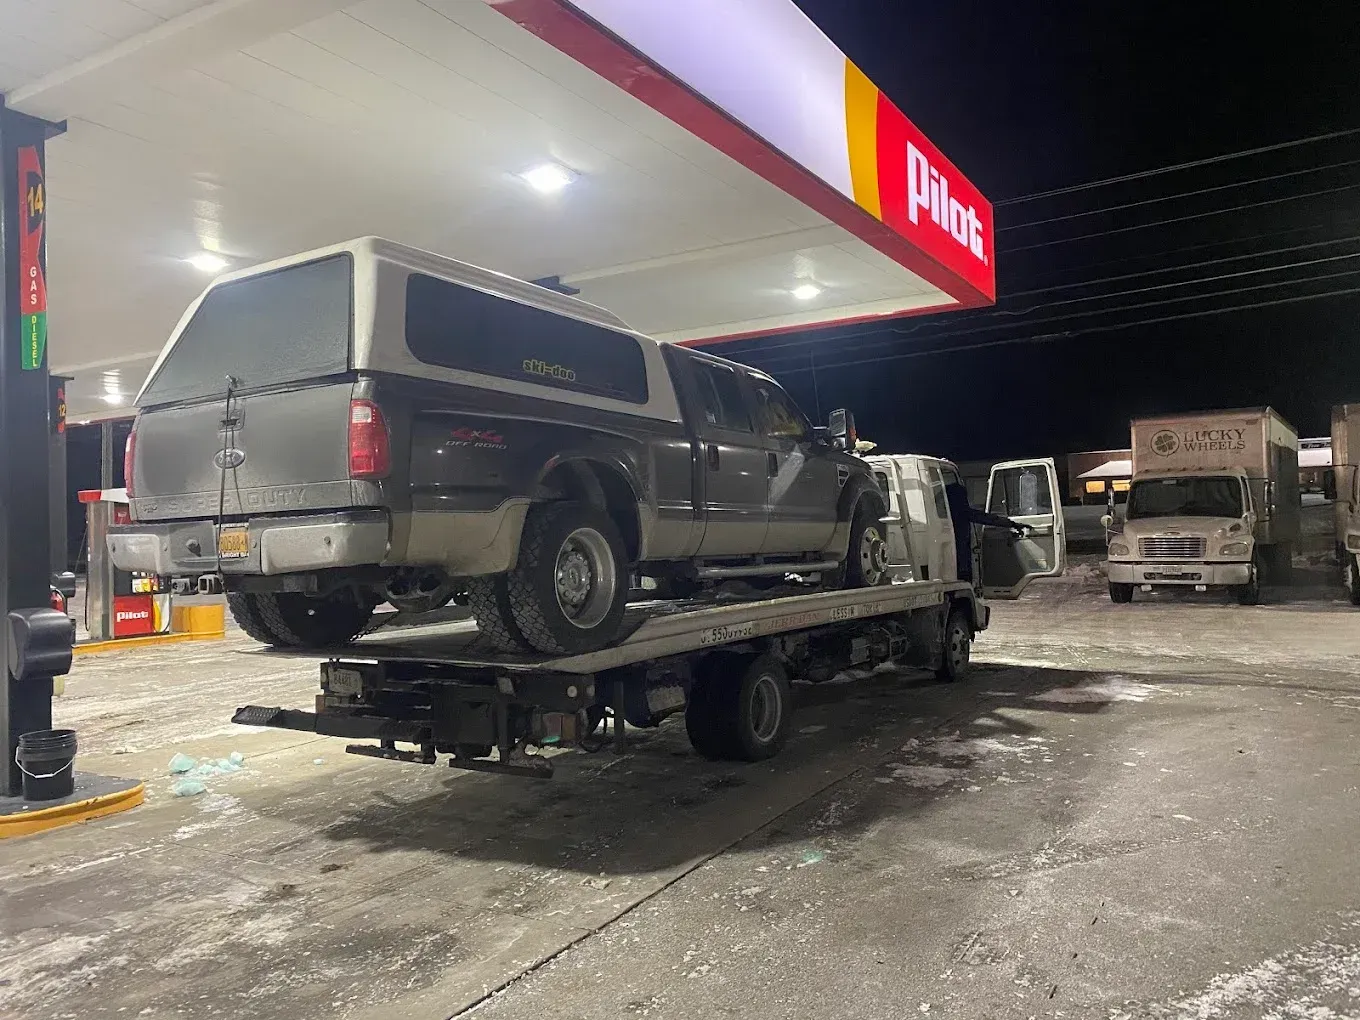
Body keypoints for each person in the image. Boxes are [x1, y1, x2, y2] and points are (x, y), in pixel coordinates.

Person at [944, 481, 1029, 582]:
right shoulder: (961, 512)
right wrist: (1012, 524)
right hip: (961, 560)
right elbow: (987, 518)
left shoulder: (943, 514)